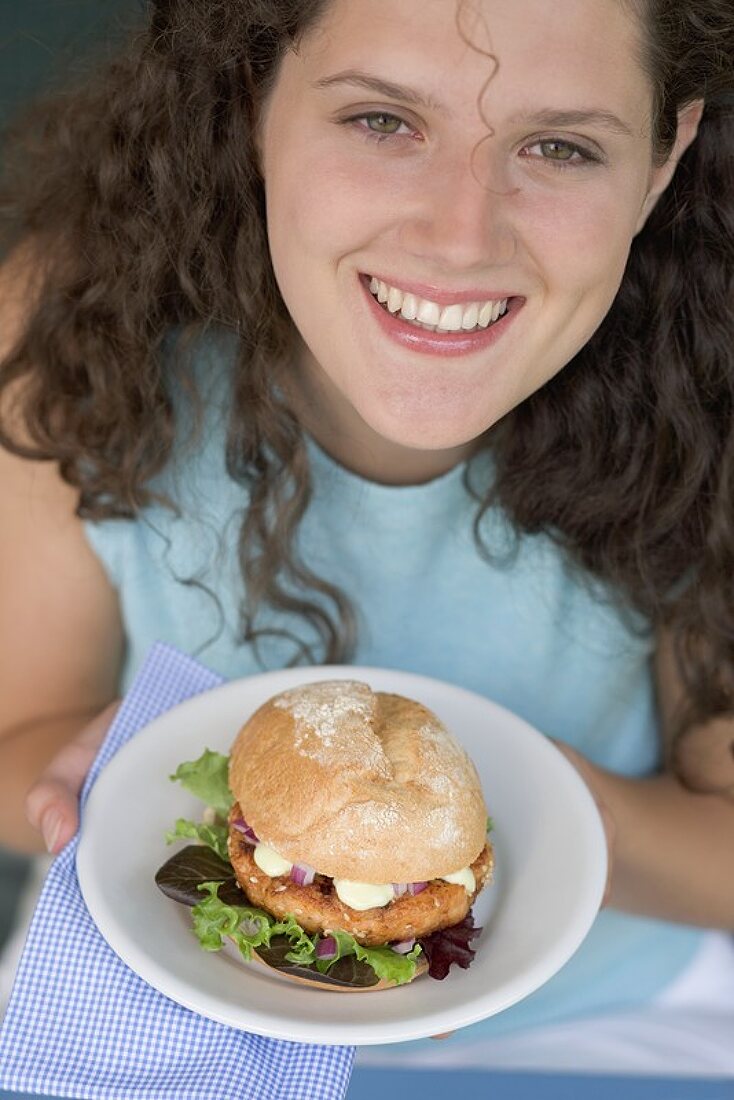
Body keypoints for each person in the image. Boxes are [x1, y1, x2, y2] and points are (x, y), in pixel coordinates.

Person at [0, 0, 733, 1079]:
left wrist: (511, 824)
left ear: (663, 158)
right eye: (383, 121)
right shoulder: (76, 318)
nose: (458, 236)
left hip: (615, 1024)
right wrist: (73, 782)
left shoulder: (709, 385)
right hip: (163, 989)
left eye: (559, 145)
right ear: (250, 99)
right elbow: (18, 728)